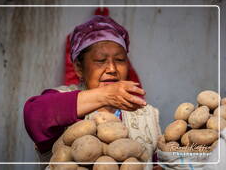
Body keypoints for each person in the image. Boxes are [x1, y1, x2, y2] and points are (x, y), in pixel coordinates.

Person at [24, 15, 162, 170]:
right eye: (100, 60)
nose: (112, 69)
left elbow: (155, 161)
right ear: (78, 68)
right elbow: (34, 114)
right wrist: (104, 96)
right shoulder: (60, 97)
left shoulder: (147, 113)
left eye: (120, 60)